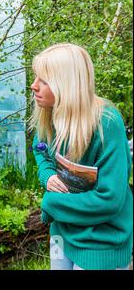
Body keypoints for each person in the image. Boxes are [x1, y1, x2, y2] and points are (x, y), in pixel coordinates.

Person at [29, 43, 133, 270]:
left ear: (67, 84)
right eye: (36, 77)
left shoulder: (106, 123)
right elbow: (40, 149)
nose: (33, 85)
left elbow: (110, 200)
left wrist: (51, 202)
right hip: (63, 231)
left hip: (103, 241)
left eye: (44, 80)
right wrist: (47, 176)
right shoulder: (52, 114)